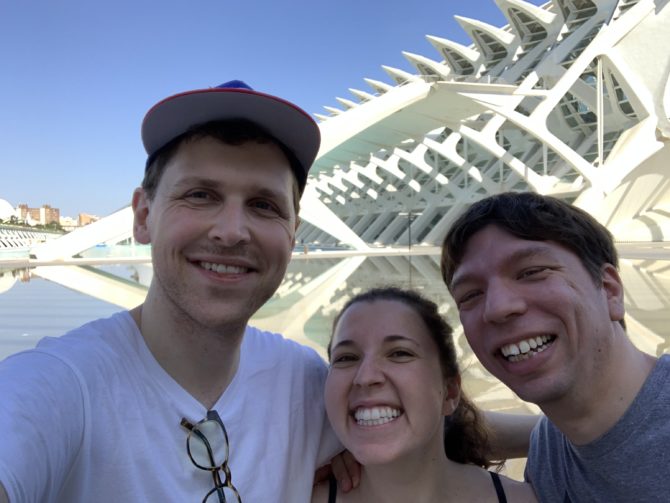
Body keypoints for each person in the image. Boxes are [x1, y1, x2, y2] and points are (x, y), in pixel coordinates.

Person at [0, 80, 341, 502]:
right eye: (201, 195)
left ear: (292, 234)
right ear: (143, 216)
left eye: (264, 205)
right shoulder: (61, 388)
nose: (232, 232)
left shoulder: (306, 385)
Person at [441, 191, 670, 502]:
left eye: (532, 272)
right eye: (469, 295)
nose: (497, 308)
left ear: (610, 291)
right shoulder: (549, 450)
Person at [312, 287, 537, 503]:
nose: (365, 377)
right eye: (346, 358)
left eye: (400, 353)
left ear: (449, 392)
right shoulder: (293, 495)